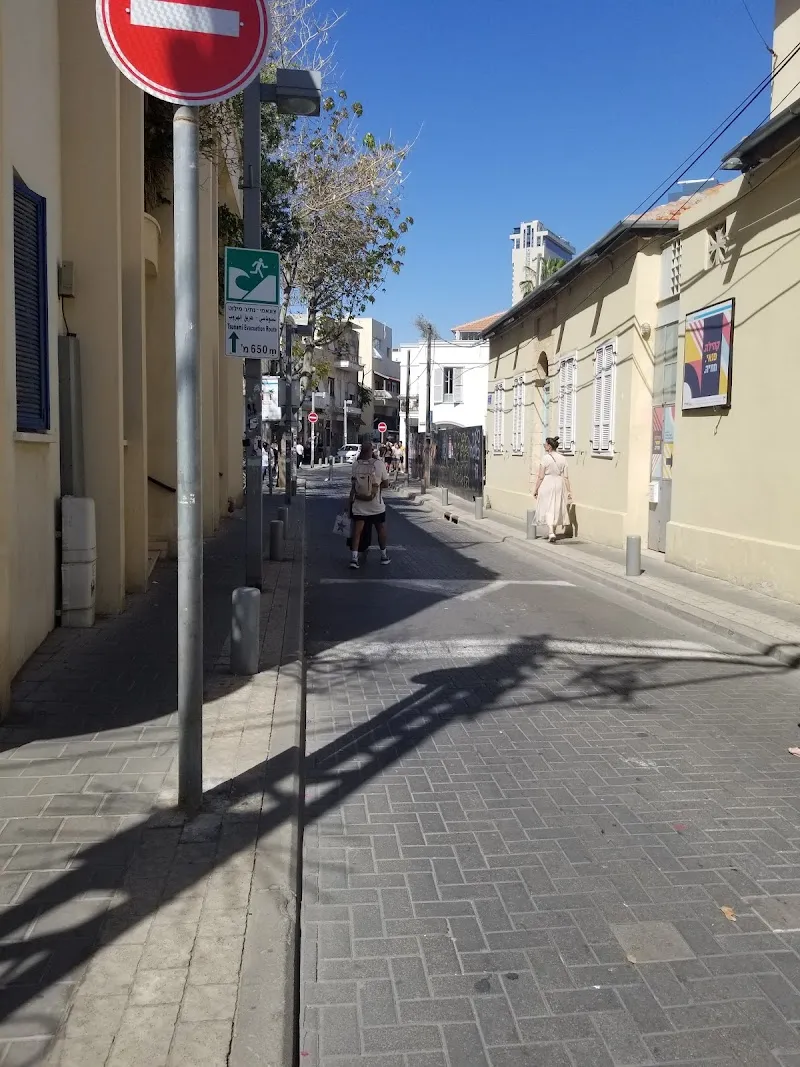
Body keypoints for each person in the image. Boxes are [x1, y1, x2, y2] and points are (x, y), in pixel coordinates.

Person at [349, 438, 390, 569]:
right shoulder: (379, 464)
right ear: (372, 451)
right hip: (375, 504)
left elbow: (353, 484)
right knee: (381, 529)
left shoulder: (356, 465)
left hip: (359, 504)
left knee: (357, 531)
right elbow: (386, 483)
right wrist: (376, 487)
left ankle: (354, 559)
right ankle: (384, 555)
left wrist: (348, 503)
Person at [533, 436, 573, 543]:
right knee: (556, 506)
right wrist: (569, 491)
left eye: (545, 444)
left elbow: (540, 476)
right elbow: (566, 477)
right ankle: (553, 530)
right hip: (559, 483)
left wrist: (536, 489)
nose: (544, 446)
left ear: (549, 446)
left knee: (548, 507)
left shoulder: (545, 458)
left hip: (547, 483)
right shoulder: (563, 458)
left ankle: (551, 532)